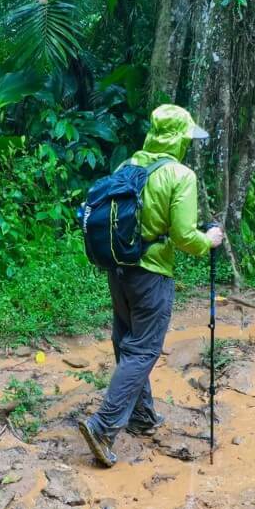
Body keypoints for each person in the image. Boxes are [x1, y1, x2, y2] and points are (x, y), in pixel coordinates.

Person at [78, 104, 224, 467]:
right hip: (152, 274)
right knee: (143, 350)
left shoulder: (128, 166)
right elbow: (184, 236)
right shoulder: (179, 175)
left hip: (119, 269)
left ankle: (142, 417)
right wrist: (210, 240)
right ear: (178, 138)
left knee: (126, 341)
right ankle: (103, 426)